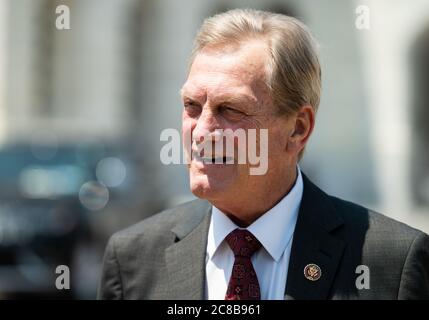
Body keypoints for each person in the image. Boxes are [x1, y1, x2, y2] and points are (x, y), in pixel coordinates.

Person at [98, 8, 429, 300]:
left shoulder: (392, 262)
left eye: (230, 110)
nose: (201, 132)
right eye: (192, 107)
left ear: (298, 128)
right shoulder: (132, 260)